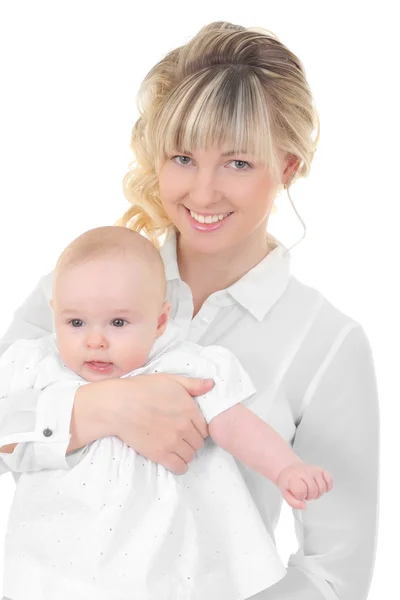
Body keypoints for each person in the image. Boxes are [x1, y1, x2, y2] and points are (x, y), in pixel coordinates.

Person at [0, 20, 379, 600]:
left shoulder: (325, 343)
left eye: (238, 163)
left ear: (288, 168)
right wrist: (103, 407)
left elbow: (334, 577)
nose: (202, 194)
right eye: (182, 157)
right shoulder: (78, 289)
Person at [0, 225, 333, 600]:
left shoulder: (184, 366)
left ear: (159, 321)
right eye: (75, 323)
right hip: (56, 560)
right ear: (55, 313)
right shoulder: (37, 366)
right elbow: (7, 441)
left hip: (163, 561)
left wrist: (284, 468)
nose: (95, 340)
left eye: (118, 323)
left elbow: (234, 424)